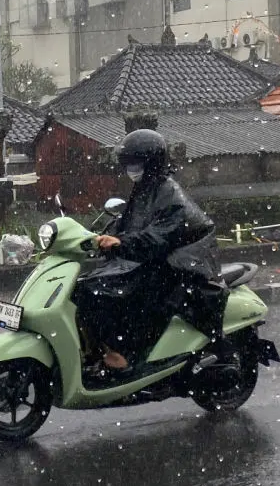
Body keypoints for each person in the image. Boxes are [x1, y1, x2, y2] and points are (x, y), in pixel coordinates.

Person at [86, 129, 227, 372]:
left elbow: (159, 235)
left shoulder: (168, 193)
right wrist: (101, 238)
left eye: (135, 162)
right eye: (128, 162)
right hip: (162, 258)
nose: (131, 168)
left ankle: (128, 355)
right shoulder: (145, 189)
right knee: (91, 285)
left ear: (151, 163)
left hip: (185, 263)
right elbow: (128, 224)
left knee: (131, 293)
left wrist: (121, 244)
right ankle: (102, 347)